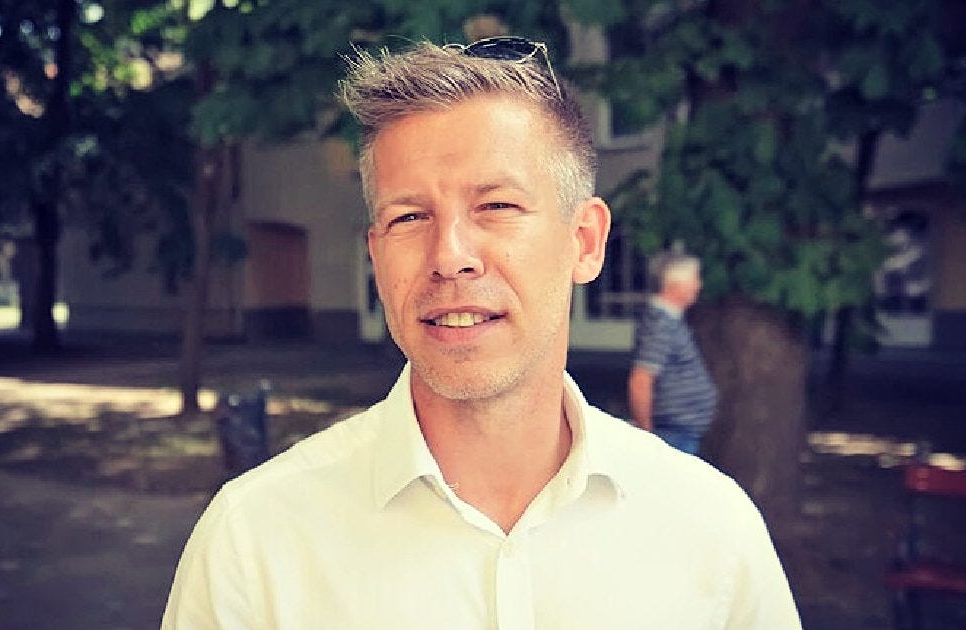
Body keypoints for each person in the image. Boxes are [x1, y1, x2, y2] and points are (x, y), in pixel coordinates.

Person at [162, 37, 801, 629]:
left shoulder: (713, 532)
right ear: (377, 256)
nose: (450, 255)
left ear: (584, 242)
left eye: (496, 206)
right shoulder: (253, 544)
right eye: (410, 216)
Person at [628, 251, 718, 454]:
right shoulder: (660, 324)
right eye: (694, 280)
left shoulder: (668, 320)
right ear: (675, 284)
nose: (698, 286)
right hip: (669, 435)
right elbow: (641, 379)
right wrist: (646, 432)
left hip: (678, 433)